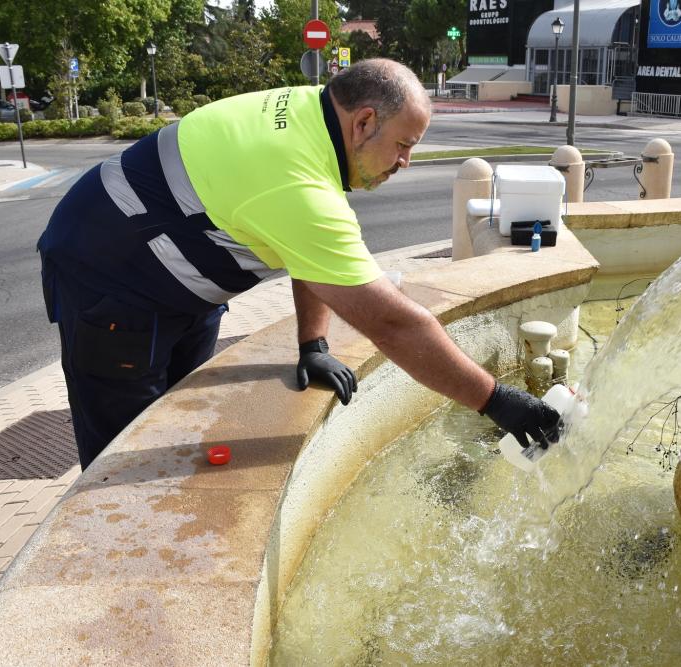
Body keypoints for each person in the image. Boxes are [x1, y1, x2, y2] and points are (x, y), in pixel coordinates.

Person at [37, 59, 560, 470]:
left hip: (168, 274)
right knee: (122, 453)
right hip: (108, 277)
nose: (405, 163)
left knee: (179, 424)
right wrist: (496, 400)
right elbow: (394, 323)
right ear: (364, 121)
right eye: (403, 145)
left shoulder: (309, 119)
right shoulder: (298, 181)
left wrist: (314, 344)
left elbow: (305, 254)